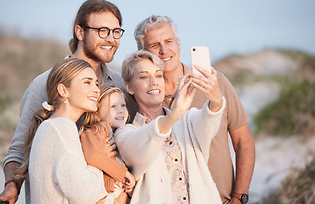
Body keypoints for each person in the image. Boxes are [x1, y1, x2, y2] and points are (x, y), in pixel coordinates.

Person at [0, 0, 136, 204]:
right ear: (80, 32)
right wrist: (12, 185)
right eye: (102, 31)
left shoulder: (118, 83)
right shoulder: (44, 83)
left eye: (116, 32)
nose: (111, 39)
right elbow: (19, 149)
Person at [134, 15, 255, 204]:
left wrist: (239, 197)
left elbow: (244, 142)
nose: (164, 50)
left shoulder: (216, 83)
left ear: (179, 43)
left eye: (168, 41)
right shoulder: (140, 98)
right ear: (142, 52)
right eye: (155, 45)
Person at [115, 50, 226, 203]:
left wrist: (216, 100)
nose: (154, 81)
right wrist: (174, 114)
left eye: (159, 75)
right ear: (129, 87)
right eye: (144, 77)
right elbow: (138, 148)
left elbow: (209, 121)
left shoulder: (187, 120)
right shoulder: (125, 133)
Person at [13, 58, 108, 203]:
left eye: (96, 83)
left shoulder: (52, 126)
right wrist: (100, 162)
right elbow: (84, 195)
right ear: (63, 90)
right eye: (87, 82)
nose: (96, 89)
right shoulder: (62, 128)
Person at [78, 84, 136, 203]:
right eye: (113, 106)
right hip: (104, 196)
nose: (120, 110)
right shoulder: (96, 129)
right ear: (97, 112)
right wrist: (124, 173)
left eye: (123, 105)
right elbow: (92, 155)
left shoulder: (118, 134)